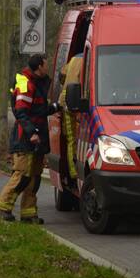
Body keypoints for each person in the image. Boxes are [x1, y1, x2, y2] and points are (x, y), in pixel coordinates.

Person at [0, 54, 59, 223]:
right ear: (39, 66)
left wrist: (54, 108)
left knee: (35, 176)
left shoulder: (40, 82)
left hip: (38, 137)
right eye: (46, 64)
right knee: (23, 174)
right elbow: (21, 112)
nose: (48, 67)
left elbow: (38, 109)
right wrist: (31, 132)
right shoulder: (24, 83)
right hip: (25, 137)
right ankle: (3, 207)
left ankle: (28, 213)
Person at [58, 54, 84, 184]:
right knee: (76, 139)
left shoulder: (74, 58)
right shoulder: (90, 57)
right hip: (76, 100)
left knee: (71, 139)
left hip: (66, 98)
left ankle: (73, 172)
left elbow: (61, 74)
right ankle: (74, 173)